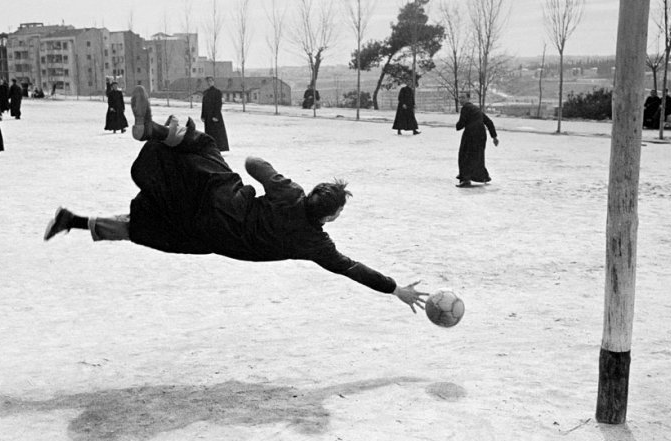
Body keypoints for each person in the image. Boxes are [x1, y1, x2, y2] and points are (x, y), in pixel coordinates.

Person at [43, 86, 427, 313]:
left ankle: (157, 133)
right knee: (143, 229)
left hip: (218, 197)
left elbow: (252, 162)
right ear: (330, 218)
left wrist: (275, 179)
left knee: (204, 149)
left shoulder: (290, 194)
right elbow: (352, 268)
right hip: (207, 235)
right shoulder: (316, 244)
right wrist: (395, 289)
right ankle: (76, 217)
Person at [455, 100, 498, 188]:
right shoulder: (476, 109)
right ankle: (483, 176)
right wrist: (494, 137)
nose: (460, 100)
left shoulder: (465, 108)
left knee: (465, 155)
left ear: (467, 98)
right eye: (460, 97)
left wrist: (457, 126)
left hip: (471, 134)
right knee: (478, 156)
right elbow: (489, 122)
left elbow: (461, 124)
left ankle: (466, 179)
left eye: (462, 97)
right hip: (481, 134)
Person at [201, 76, 229, 151]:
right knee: (208, 132)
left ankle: (219, 148)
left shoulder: (217, 92)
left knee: (217, 133)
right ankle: (210, 148)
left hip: (215, 116)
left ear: (213, 82)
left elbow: (218, 104)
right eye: (208, 81)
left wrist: (216, 116)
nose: (209, 82)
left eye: (210, 81)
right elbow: (204, 105)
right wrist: (203, 116)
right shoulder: (206, 92)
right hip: (207, 116)